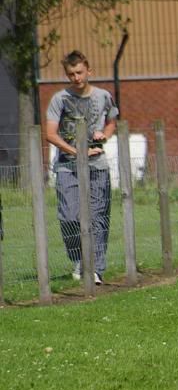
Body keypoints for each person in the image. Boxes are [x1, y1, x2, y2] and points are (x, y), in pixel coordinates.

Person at [45, 50, 118, 284]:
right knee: (69, 216)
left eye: (79, 72)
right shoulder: (60, 99)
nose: (76, 78)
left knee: (98, 217)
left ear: (89, 71)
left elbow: (112, 122)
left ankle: (96, 269)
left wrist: (103, 136)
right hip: (68, 166)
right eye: (71, 74)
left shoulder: (103, 96)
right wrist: (78, 153)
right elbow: (50, 134)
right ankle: (79, 259)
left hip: (97, 166)